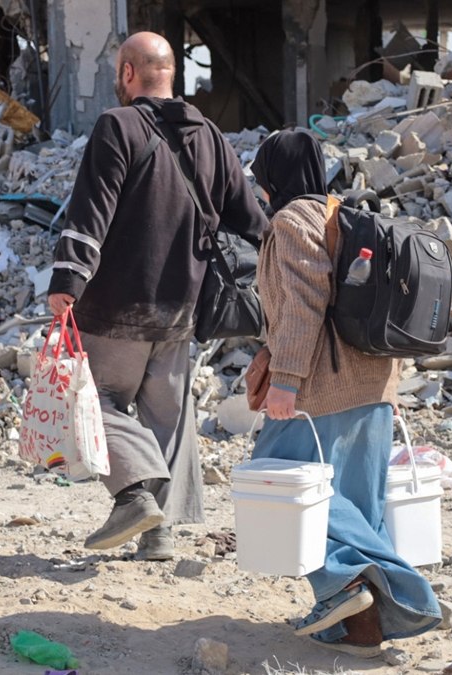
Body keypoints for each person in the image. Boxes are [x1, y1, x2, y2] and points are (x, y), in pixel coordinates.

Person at [46, 32, 268, 561]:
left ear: (127, 73)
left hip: (117, 309)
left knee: (90, 401)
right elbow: (254, 221)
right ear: (172, 74)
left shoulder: (116, 126)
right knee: (169, 418)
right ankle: (160, 534)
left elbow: (90, 210)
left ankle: (131, 496)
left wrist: (67, 280)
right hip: (181, 311)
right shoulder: (210, 135)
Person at [249, 130, 441, 658]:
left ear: (272, 179)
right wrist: (393, 386)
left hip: (320, 386)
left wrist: (284, 380)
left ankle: (376, 588)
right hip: (374, 382)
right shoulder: (348, 215)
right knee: (356, 503)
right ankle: (364, 629)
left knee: (288, 485)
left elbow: (304, 304)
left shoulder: (291, 222)